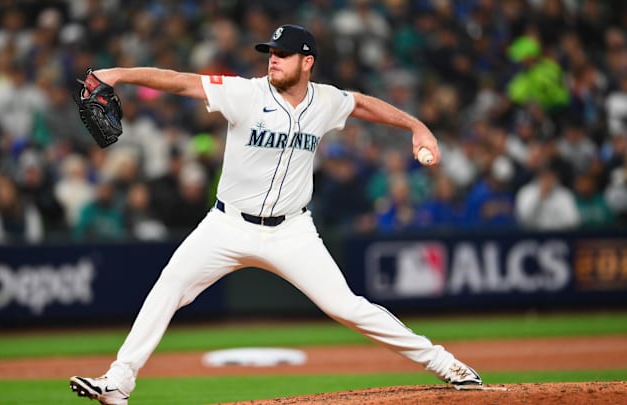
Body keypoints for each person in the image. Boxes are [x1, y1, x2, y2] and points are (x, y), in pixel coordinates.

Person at [69, 24, 483, 405]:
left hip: (292, 232)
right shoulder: (245, 94)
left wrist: (417, 127)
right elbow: (181, 82)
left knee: (348, 307)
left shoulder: (325, 101)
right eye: (270, 52)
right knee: (169, 287)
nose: (273, 58)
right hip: (226, 225)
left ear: (307, 62)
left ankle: (447, 364)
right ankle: (117, 381)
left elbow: (363, 105)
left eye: (283, 54)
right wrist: (119, 74)